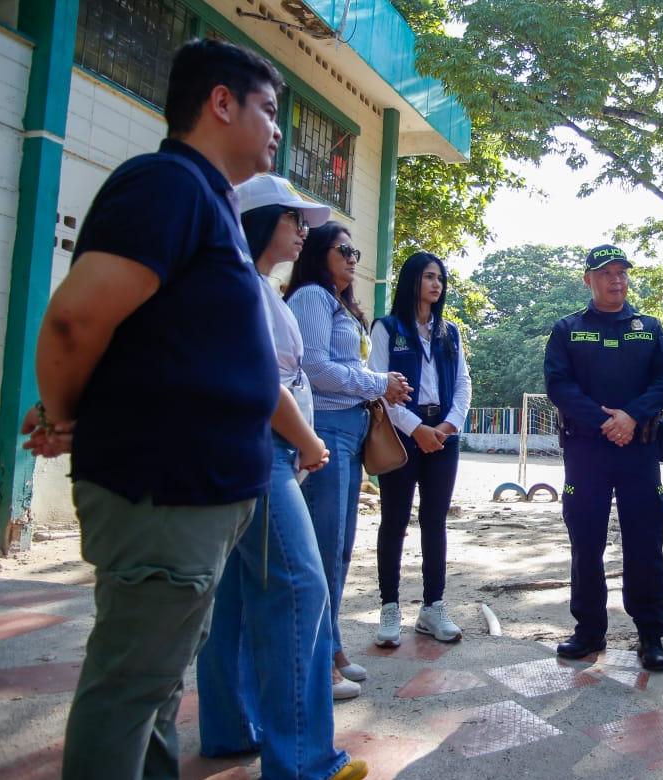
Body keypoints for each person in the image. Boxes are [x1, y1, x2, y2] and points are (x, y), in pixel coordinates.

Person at [23, 39, 364, 780]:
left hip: (203, 490)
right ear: (220, 103)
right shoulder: (166, 186)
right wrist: (63, 415)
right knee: (129, 689)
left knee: (155, 686)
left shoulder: (200, 200)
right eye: (269, 110)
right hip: (164, 490)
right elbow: (75, 322)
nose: (277, 130)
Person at [195, 174, 360, 778]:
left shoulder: (254, 284)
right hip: (261, 452)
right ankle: (304, 761)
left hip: (254, 450)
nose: (304, 232)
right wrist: (309, 440)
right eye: (296, 220)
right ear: (265, 221)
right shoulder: (244, 283)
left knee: (237, 596)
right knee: (300, 588)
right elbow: (267, 379)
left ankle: (232, 726)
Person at [287, 221, 410, 696]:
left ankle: (332, 647)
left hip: (352, 429)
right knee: (323, 548)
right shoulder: (313, 298)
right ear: (320, 254)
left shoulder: (342, 305)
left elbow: (347, 366)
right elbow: (314, 368)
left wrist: (378, 383)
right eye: (343, 249)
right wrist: (379, 383)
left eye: (356, 250)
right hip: (327, 429)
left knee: (338, 548)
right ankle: (317, 663)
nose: (353, 257)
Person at [544, 244, 663, 672]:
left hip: (639, 449)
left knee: (645, 543)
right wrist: (606, 422)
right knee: (586, 543)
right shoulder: (568, 330)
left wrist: (632, 416)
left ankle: (650, 636)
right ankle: (588, 632)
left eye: (622, 272)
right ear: (588, 280)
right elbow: (558, 385)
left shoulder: (650, 328)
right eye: (606, 273)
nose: (616, 279)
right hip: (587, 452)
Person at [367, 252, 472, 645]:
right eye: (429, 276)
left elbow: (463, 385)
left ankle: (433, 607)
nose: (436, 284)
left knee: (435, 520)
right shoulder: (387, 328)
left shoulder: (450, 333)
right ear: (412, 280)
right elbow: (379, 388)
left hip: (443, 436)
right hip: (401, 434)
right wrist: (417, 428)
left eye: (440, 278)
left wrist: (445, 427)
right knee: (394, 520)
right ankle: (390, 608)